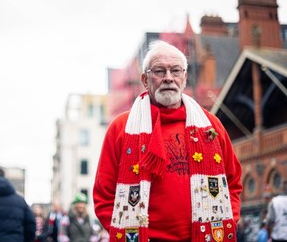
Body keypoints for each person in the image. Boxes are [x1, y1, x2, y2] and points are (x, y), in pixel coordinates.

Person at [93, 40, 243, 242]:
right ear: (145, 80)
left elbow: (233, 182)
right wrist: (128, 234)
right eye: (159, 71)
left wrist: (228, 222)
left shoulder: (211, 125)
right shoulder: (120, 128)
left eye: (175, 71)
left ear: (185, 77)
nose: (168, 78)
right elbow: (104, 194)